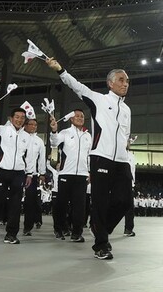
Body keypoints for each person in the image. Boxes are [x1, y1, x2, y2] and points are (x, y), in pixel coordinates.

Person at [43, 56, 132, 261]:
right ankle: (101, 244)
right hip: (100, 158)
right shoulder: (99, 100)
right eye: (121, 80)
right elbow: (77, 86)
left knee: (124, 200)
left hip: (121, 160)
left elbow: (125, 135)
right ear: (110, 83)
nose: (125, 84)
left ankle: (99, 227)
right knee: (100, 202)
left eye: (127, 81)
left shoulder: (127, 110)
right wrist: (59, 69)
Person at [0, 102, 35, 244]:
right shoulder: (3, 130)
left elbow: (29, 156)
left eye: (22, 117)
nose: (19, 120)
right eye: (17, 117)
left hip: (18, 174)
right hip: (2, 172)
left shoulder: (27, 137)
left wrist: (29, 174)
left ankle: (11, 234)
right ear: (11, 118)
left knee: (16, 205)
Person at [48, 108, 92, 242]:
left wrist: (89, 171)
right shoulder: (65, 133)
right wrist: (54, 130)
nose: (80, 118)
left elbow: (89, 155)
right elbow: (54, 143)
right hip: (66, 173)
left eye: (82, 116)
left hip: (82, 175)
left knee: (79, 206)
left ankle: (76, 233)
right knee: (62, 204)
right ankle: (59, 228)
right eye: (77, 116)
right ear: (71, 119)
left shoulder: (87, 135)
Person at [23, 118, 47, 236]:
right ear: (25, 125)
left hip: (32, 175)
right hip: (18, 172)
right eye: (31, 124)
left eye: (35, 125)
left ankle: (28, 227)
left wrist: (42, 173)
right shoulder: (20, 137)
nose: (33, 127)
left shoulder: (39, 141)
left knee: (30, 202)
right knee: (15, 200)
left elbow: (42, 158)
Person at [123, 136, 137, 237]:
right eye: (127, 141)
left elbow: (133, 171)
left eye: (129, 142)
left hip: (129, 184)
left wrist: (133, 183)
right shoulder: (118, 154)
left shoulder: (132, 155)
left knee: (129, 208)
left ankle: (128, 229)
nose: (128, 143)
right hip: (117, 184)